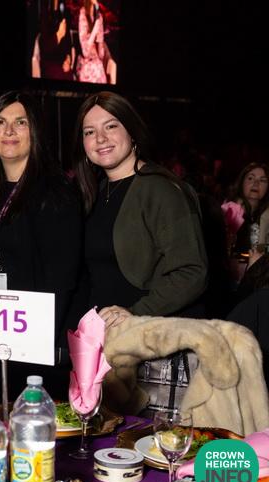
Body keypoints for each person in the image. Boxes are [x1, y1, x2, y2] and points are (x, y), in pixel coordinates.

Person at [72, 91, 208, 415]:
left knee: (154, 445)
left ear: (132, 132)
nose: (100, 138)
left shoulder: (160, 189)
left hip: (155, 357)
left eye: (111, 126)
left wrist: (136, 312)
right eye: (90, 131)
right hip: (109, 354)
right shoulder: (95, 192)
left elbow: (192, 271)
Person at [0, 91, 84, 399]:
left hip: (36, 349)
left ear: (35, 131)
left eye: (20, 122)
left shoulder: (55, 192)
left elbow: (61, 280)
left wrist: (35, 342)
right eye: (1, 122)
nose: (9, 131)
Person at [230, 162, 269, 255]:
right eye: (250, 178)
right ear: (242, 182)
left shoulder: (266, 214)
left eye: (262, 180)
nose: (256, 183)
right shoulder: (230, 209)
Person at [31, 0, 75, 80]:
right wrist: (59, 35)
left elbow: (68, 41)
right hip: (50, 63)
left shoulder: (65, 9)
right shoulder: (45, 12)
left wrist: (68, 59)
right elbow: (45, 47)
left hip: (63, 61)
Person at [76, 0, 107, 84]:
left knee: (99, 67)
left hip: (97, 63)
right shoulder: (83, 13)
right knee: (96, 68)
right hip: (86, 63)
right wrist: (95, 30)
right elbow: (85, 52)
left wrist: (100, 39)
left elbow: (101, 54)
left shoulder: (99, 16)